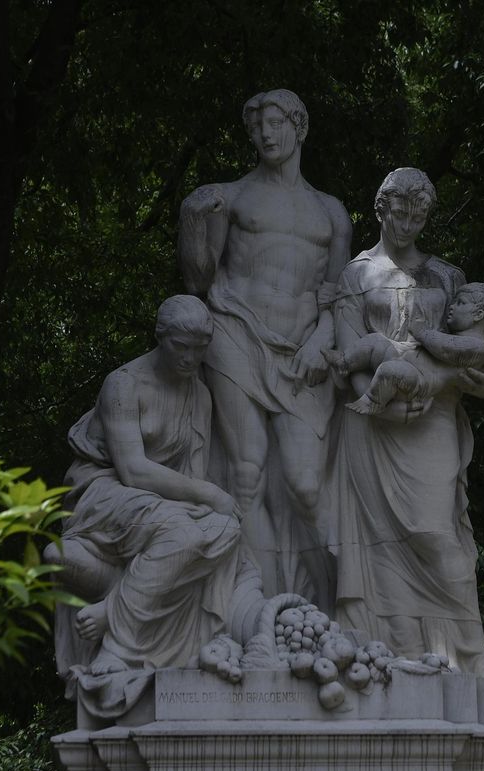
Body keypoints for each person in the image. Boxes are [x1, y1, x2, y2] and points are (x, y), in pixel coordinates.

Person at [177, 89, 352, 605]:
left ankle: (340, 609)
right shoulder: (229, 197)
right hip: (235, 331)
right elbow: (198, 279)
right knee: (247, 472)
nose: (265, 135)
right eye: (256, 128)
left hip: (302, 351)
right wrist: (193, 222)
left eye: (275, 123)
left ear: (299, 126)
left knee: (306, 484)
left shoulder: (332, 212)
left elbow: (338, 298)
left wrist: (321, 338)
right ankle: (268, 608)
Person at [330, 168, 484, 677]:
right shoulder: (355, 276)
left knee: (437, 532)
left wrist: (455, 384)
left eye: (418, 217)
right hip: (371, 419)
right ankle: (397, 648)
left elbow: (474, 362)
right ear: (381, 209)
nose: (407, 225)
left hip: (434, 418)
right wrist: (377, 400)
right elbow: (348, 350)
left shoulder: (448, 277)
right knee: (380, 543)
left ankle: (470, 649)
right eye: (399, 214)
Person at [46, 295, 244, 718]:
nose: (189, 358)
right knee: (183, 534)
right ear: (160, 337)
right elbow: (133, 470)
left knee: (226, 529)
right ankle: (117, 645)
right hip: (102, 490)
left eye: (199, 349)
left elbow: (192, 473)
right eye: (180, 346)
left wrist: (206, 505)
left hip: (162, 500)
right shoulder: (123, 385)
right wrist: (208, 496)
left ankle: (113, 605)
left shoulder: (199, 395)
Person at [326, 281, 484, 416]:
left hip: (419, 380)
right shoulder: (464, 340)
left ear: (478, 315)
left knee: (391, 370)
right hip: (403, 358)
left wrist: (422, 331)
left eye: (460, 303)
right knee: (375, 341)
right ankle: (344, 361)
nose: (451, 306)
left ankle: (374, 402)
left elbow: (444, 349)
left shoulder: (477, 346)